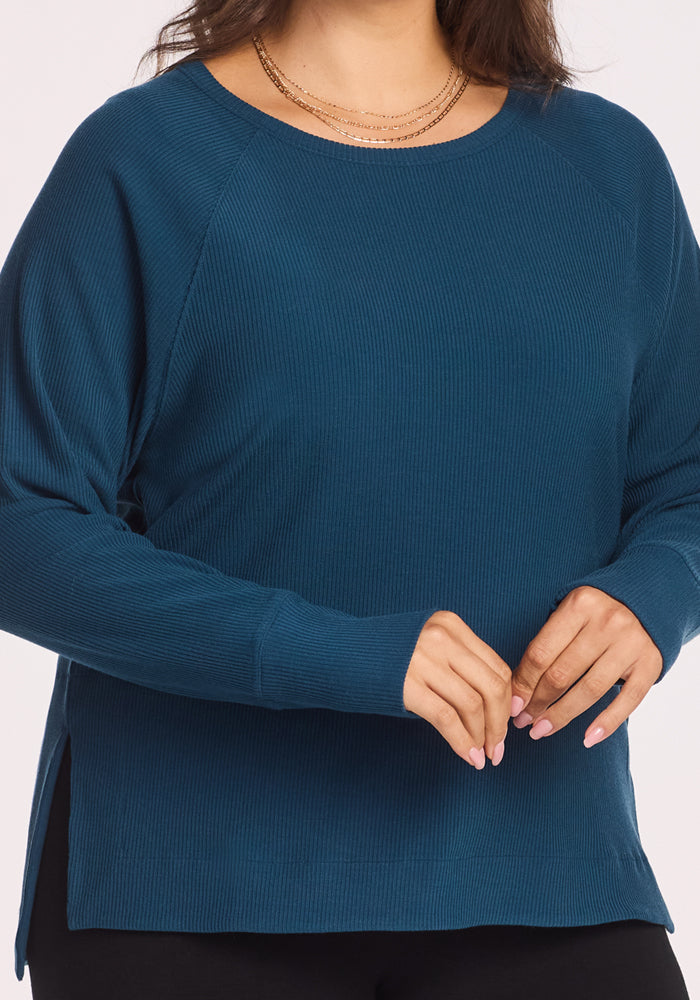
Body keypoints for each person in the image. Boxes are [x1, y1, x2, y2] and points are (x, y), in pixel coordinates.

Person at [2, 0, 697, 996]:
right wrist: (340, 651)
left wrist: (656, 591)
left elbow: (685, 472)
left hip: (543, 870)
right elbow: (18, 515)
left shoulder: (607, 168)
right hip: (194, 888)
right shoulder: (147, 160)